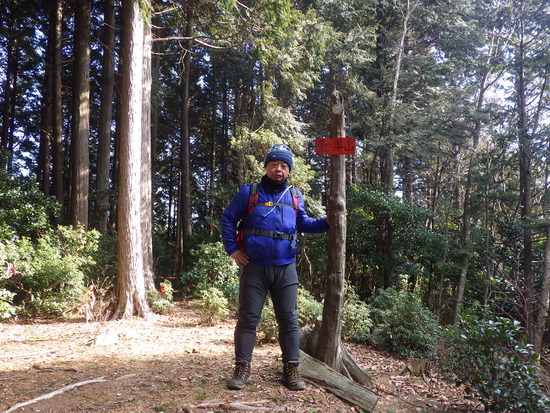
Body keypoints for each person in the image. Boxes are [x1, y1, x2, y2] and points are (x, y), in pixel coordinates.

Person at [221, 143, 329, 391]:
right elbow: (227, 218)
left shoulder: (295, 195)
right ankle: (242, 368)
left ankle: (291, 369)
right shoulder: (249, 192)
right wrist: (233, 249)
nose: (278, 169)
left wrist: (327, 222)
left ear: (288, 169)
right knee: (248, 319)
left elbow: (304, 224)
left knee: (289, 320)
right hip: (254, 267)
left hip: (285, 268)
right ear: (266, 167)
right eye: (274, 164)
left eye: (283, 165)